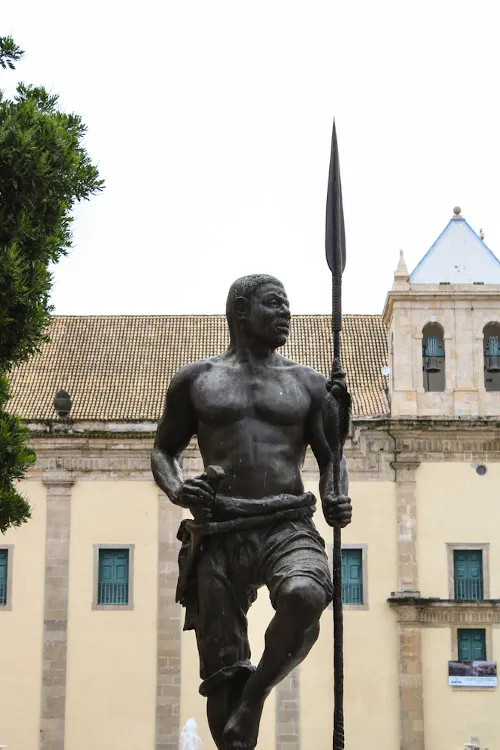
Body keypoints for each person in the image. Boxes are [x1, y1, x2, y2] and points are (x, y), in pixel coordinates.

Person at [151, 274, 352, 750]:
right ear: (241, 310)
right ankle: (239, 717)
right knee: (224, 679)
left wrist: (333, 497)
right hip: (219, 528)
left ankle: (257, 695)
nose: (287, 313)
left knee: (306, 595)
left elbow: (331, 460)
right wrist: (179, 488)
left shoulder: (307, 384)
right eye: (274, 304)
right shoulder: (198, 380)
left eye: (288, 305)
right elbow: (163, 451)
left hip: (287, 521)